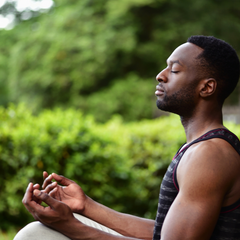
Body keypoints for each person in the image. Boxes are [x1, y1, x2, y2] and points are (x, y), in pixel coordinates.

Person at [14, 35, 240, 240]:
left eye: (174, 70)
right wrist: (85, 206)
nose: (160, 76)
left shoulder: (209, 154)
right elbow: (163, 231)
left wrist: (71, 226)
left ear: (207, 87)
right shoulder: (202, 147)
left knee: (36, 235)